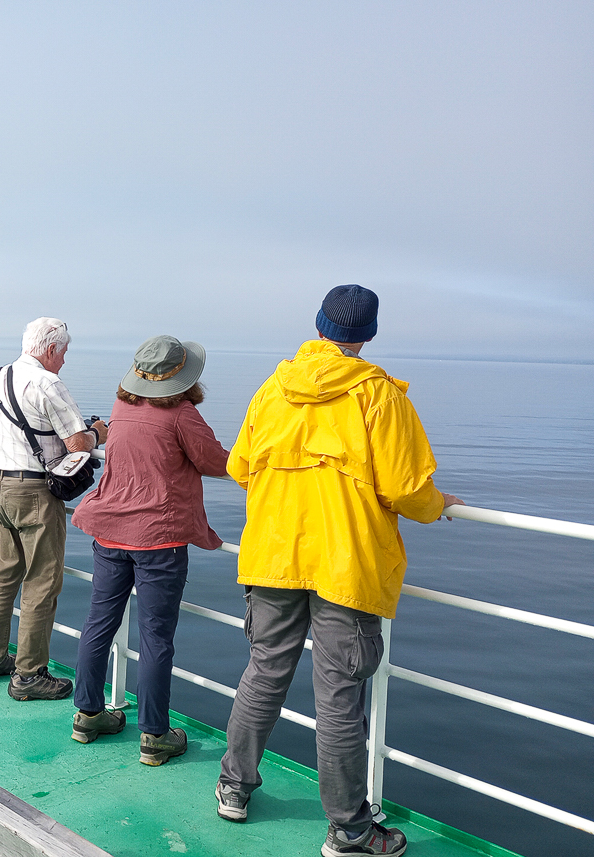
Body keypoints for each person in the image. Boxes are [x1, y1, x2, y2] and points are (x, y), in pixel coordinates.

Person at [216, 285, 463, 857]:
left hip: (275, 555)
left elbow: (239, 466)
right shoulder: (377, 395)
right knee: (338, 698)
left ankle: (233, 786)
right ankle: (350, 829)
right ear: (368, 335)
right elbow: (407, 490)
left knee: (263, 674)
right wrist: (439, 504)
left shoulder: (273, 388)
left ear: (318, 323)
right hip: (345, 564)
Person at [70, 335, 229, 765]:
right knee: (156, 638)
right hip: (160, 539)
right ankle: (155, 737)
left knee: (98, 623)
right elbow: (217, 461)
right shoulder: (180, 414)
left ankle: (87, 715)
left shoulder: (122, 408)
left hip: (110, 532)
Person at [0, 317, 108, 701]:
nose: (64, 360)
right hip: (34, 491)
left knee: (4, 573)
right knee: (42, 580)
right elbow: (78, 443)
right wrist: (100, 431)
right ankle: (29, 674)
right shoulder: (48, 383)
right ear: (51, 349)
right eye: (64, 352)